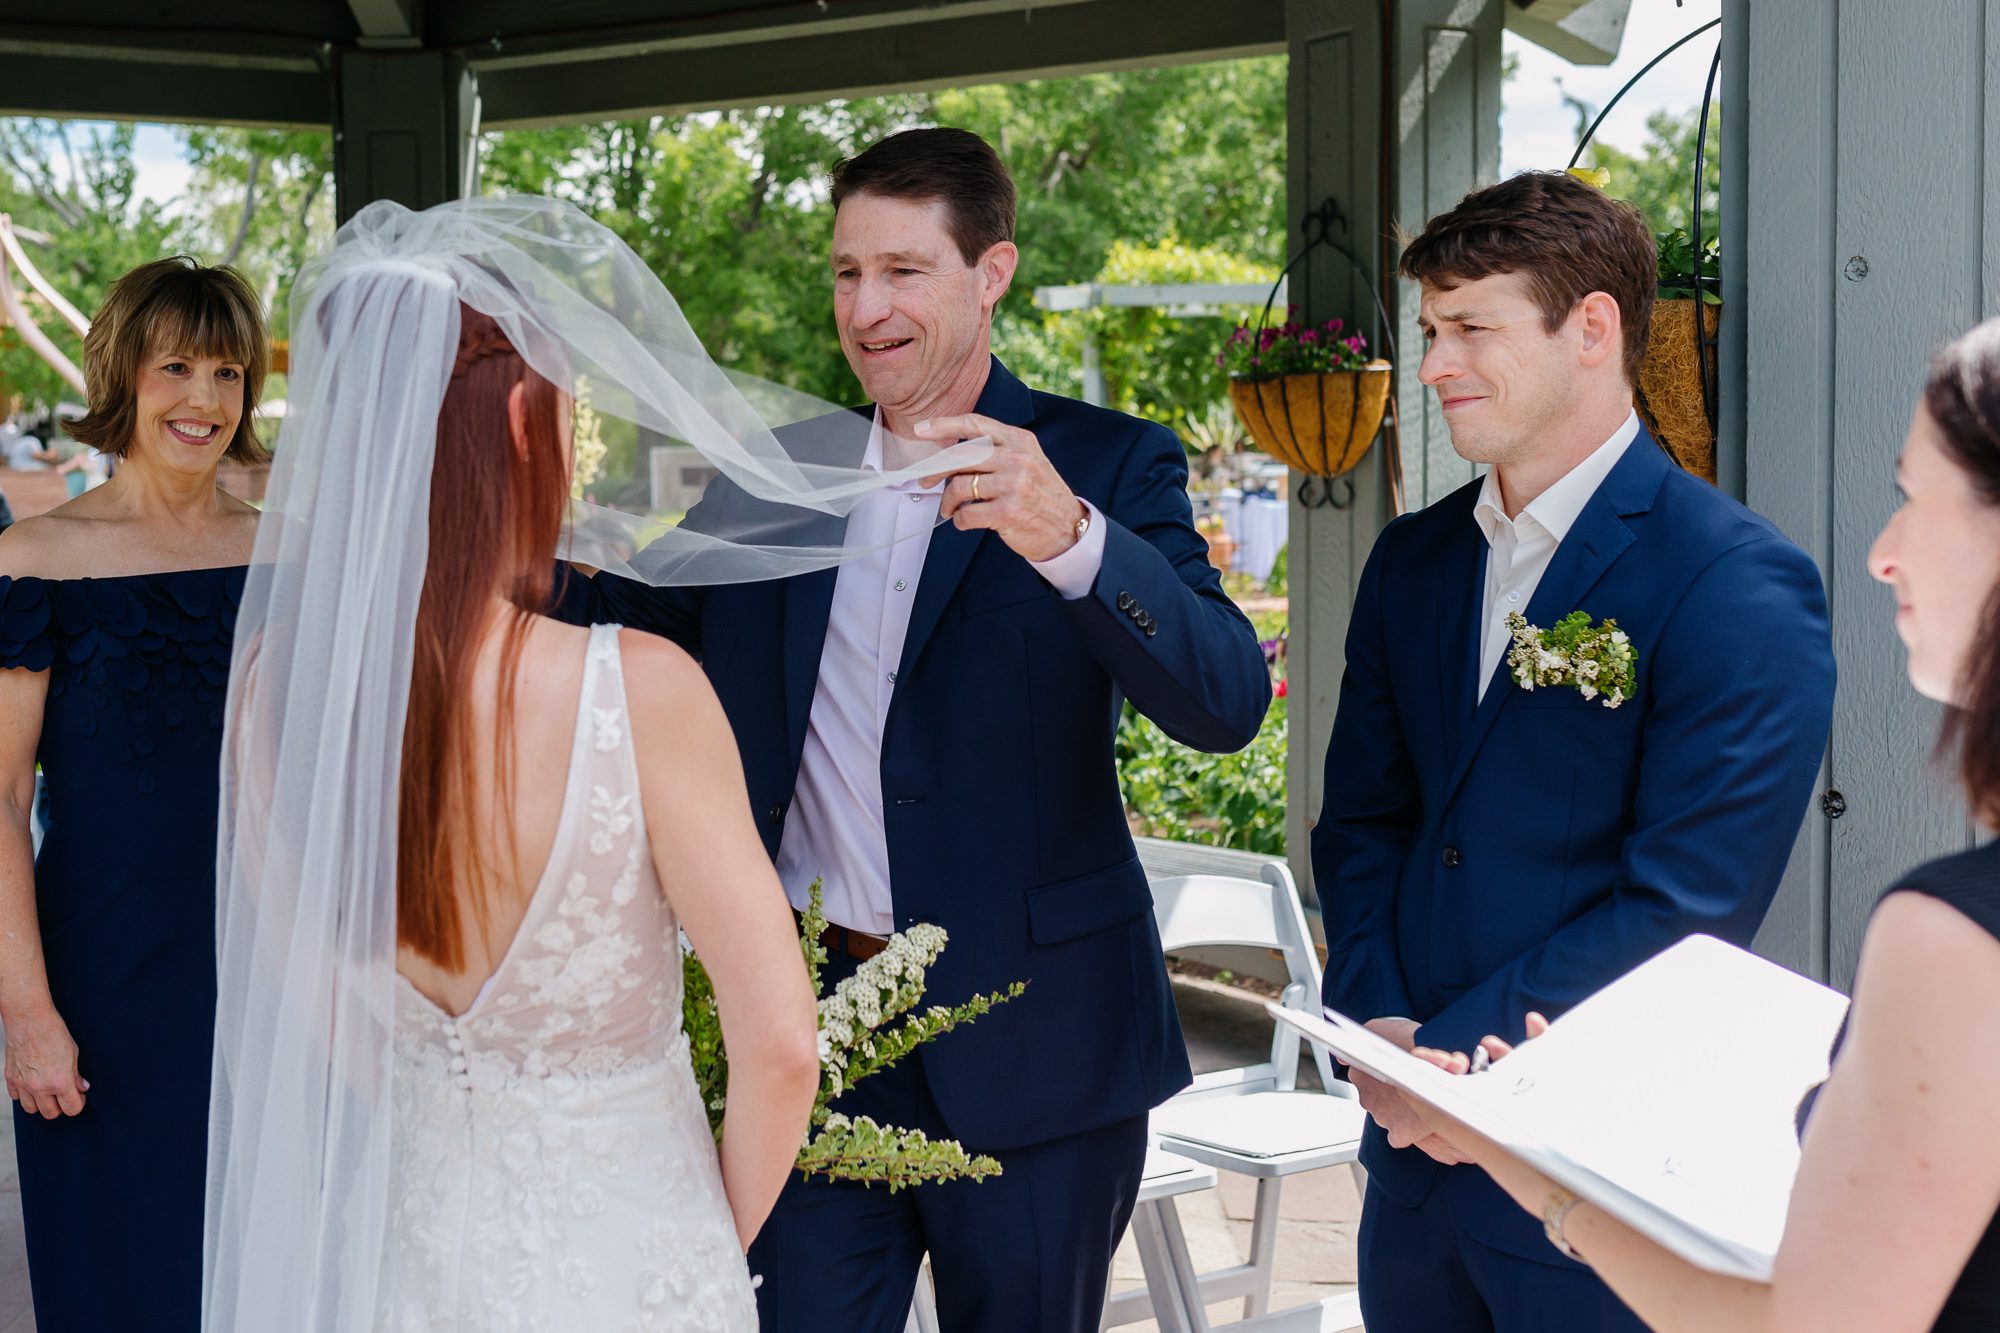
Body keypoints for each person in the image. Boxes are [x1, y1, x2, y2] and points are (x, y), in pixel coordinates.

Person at [555, 126, 1272, 1332]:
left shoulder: (1109, 461)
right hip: (807, 1036)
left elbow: (1223, 707)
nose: (866, 307)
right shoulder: (772, 477)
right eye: (846, 273)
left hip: (1040, 1040)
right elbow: (613, 624)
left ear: (988, 274)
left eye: (902, 271)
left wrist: (1072, 539)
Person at [202, 196, 894, 1332]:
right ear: (521, 434)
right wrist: (696, 1244)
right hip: (630, 1256)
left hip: (402, 1255)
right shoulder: (639, 687)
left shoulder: (274, 684)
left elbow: (320, 1009)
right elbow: (780, 1048)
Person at [1312, 170, 1837, 1332]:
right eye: (1430, 331)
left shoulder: (1730, 579)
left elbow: (1684, 902)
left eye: (1469, 330)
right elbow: (1363, 820)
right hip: (1407, 1174)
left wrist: (1446, 1063)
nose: (1435, 364)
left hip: (1595, 1187)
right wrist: (1375, 1017)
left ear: (1589, 328)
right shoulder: (1411, 560)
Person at [1406, 316, 2000, 1332]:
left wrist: (1539, 1170)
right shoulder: (1415, 558)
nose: (1880, 554)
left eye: (1911, 497)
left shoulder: (1954, 936)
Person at [0, 256, 268, 1332]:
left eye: (228, 372)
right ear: (125, 372)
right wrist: (24, 1012)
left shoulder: (288, 551)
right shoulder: (38, 558)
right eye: (176, 367)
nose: (203, 400)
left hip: (270, 990)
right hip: (100, 1000)